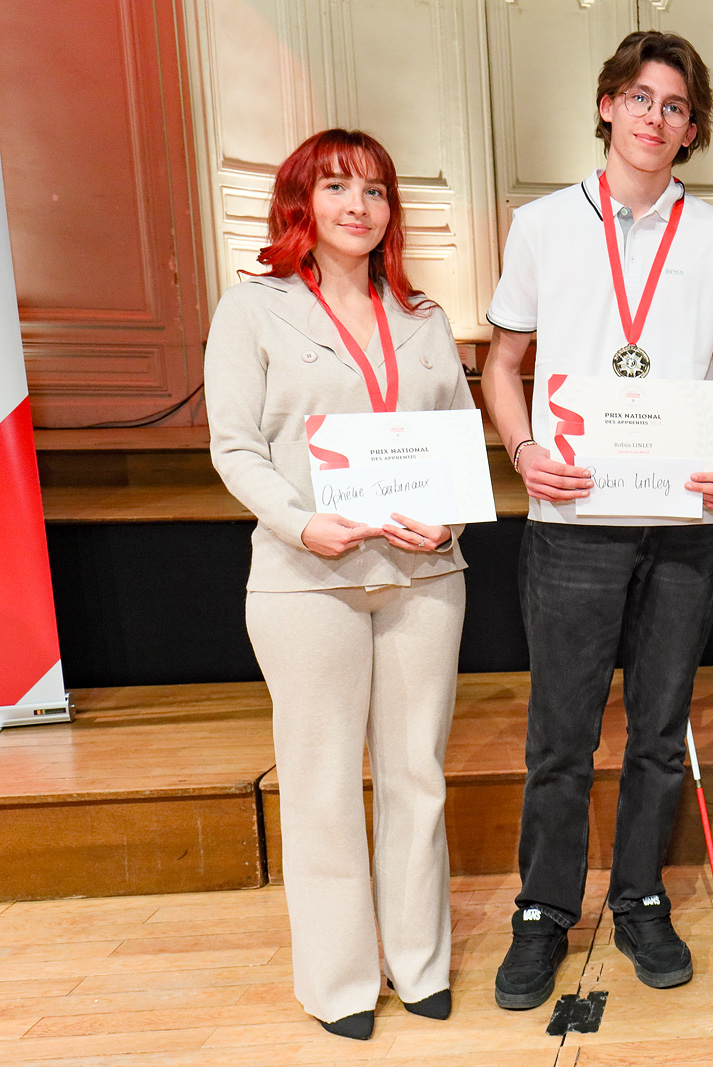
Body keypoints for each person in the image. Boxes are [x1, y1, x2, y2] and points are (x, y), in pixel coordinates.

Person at [478, 30, 713, 1008]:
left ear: (692, 128)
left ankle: (639, 894)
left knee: (658, 728)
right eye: (640, 97)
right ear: (607, 105)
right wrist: (523, 452)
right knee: (560, 735)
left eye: (674, 105)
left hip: (685, 523)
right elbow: (500, 365)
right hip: (571, 517)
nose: (655, 117)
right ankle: (543, 909)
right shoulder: (541, 226)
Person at [207, 129, 472, 1039]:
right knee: (321, 783)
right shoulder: (254, 309)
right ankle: (340, 982)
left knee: (416, 775)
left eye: (375, 190)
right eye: (336, 187)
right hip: (306, 578)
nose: (358, 205)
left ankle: (420, 961)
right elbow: (234, 446)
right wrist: (300, 522)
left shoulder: (423, 315)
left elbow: (459, 440)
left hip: (423, 572)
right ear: (301, 201)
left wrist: (451, 520)